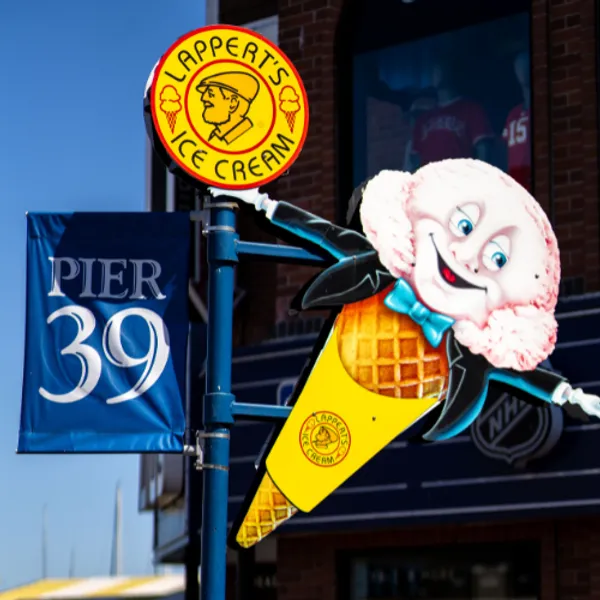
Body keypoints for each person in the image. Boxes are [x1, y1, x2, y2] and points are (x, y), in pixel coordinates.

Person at [410, 60, 494, 169]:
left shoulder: (471, 109)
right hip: (429, 182)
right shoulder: (424, 119)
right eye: (434, 69)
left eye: (440, 67)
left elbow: (483, 150)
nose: (436, 71)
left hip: (458, 180)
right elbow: (416, 158)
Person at [195, 71, 259, 145]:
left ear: (233, 103)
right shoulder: (217, 136)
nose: (203, 98)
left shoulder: (245, 137)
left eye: (211, 94)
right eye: (204, 94)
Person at [502, 52, 532, 191]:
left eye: (524, 64)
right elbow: (504, 150)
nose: (521, 70)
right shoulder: (513, 114)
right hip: (515, 184)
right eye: (518, 66)